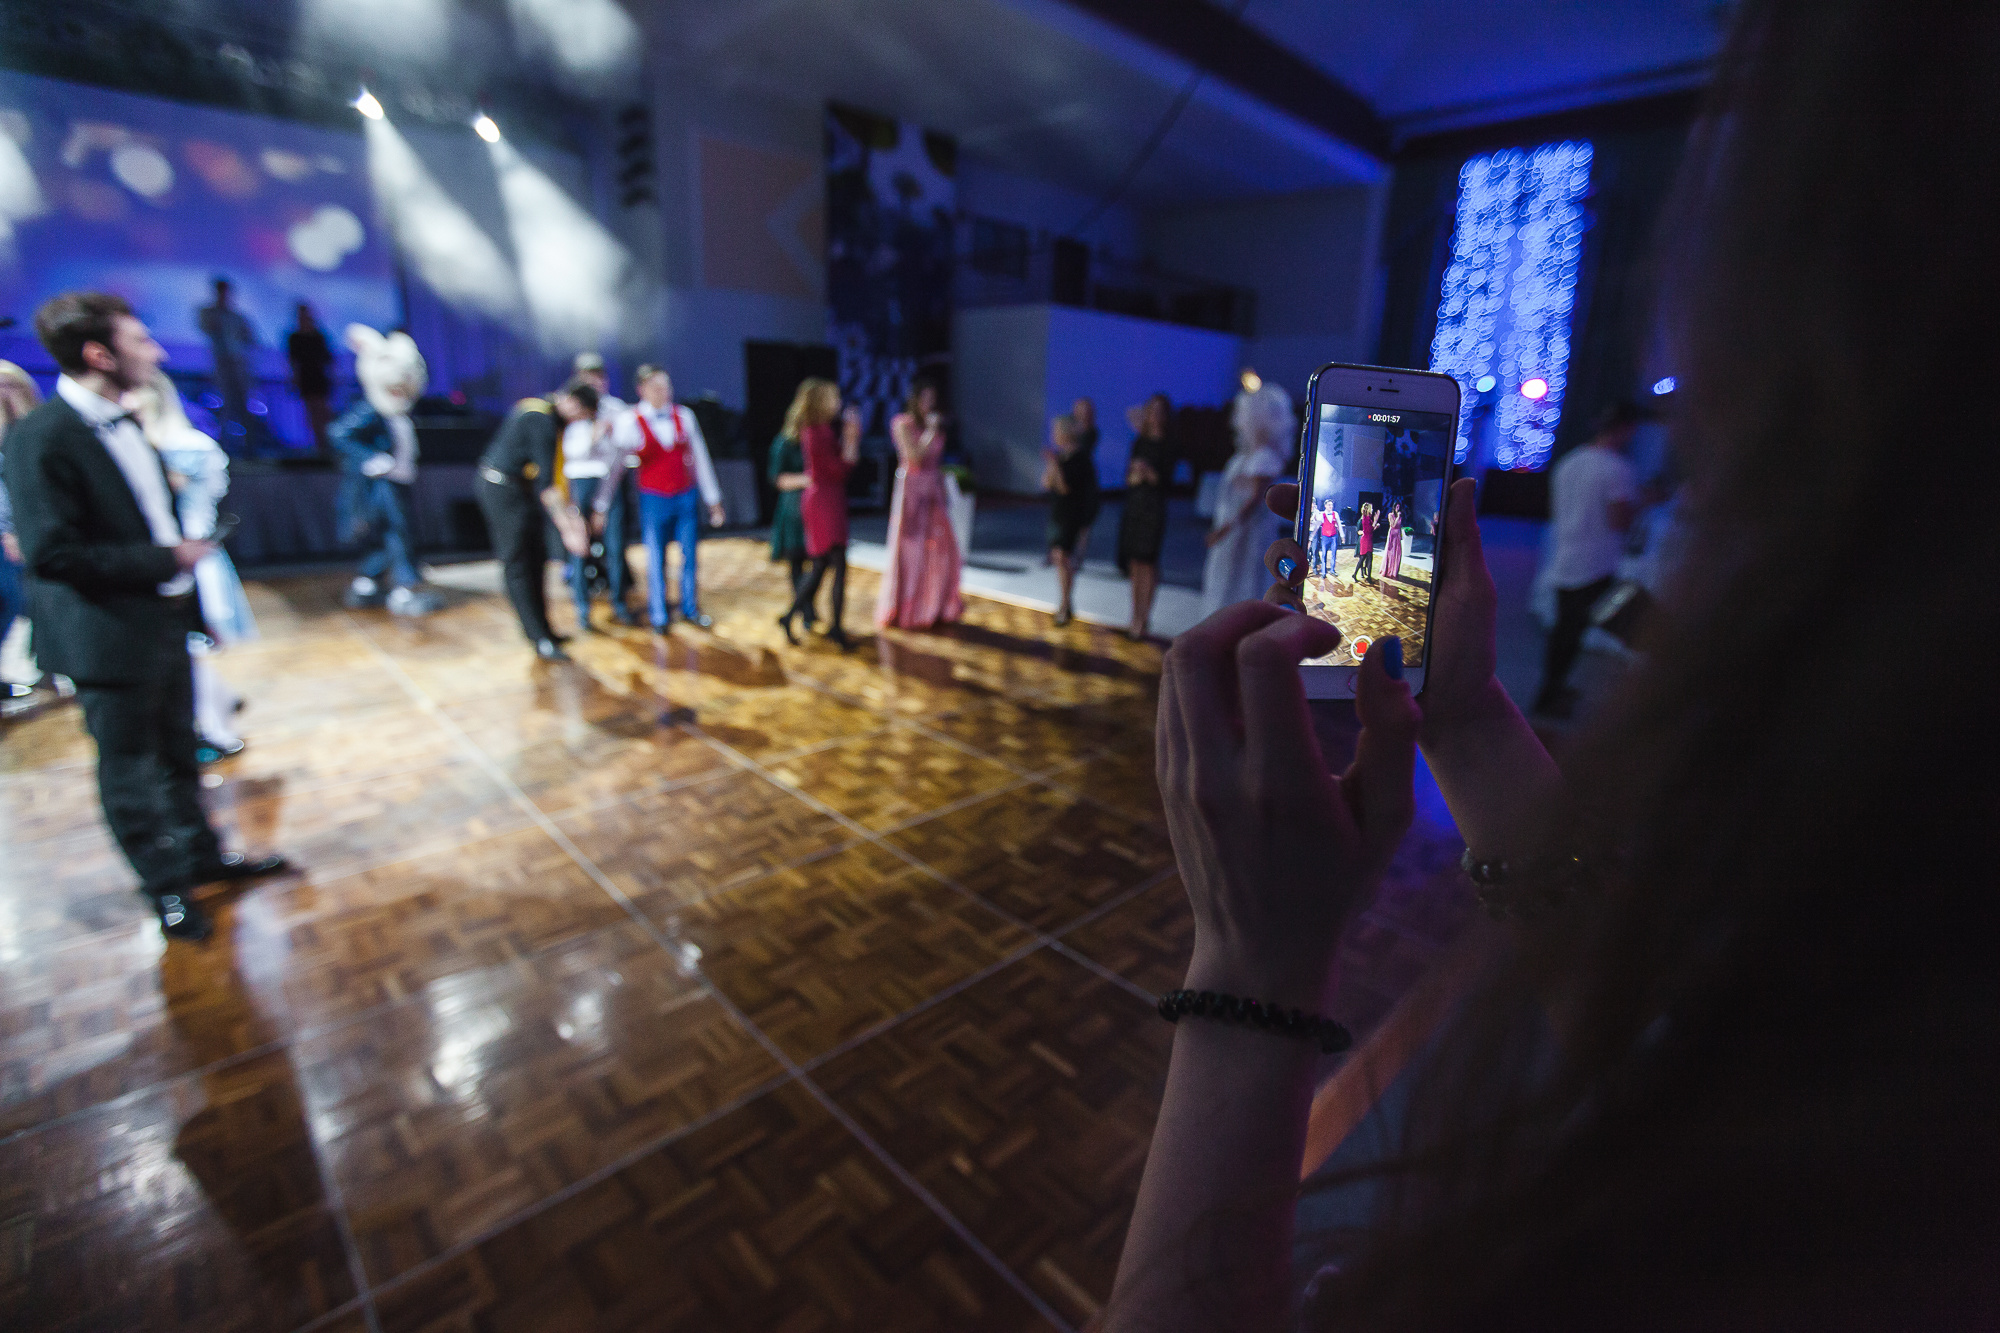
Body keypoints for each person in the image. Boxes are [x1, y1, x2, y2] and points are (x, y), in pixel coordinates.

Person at [1108, 1, 2000, 1327]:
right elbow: (1686, 1062)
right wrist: (1461, 720)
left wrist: (1250, 966)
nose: (1686, 331)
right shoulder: (1899, 1008)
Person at [3, 293, 289, 942]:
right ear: (99, 354)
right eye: (140, 341)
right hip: (106, 636)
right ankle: (166, 890)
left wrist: (189, 607)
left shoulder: (129, 424)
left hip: (161, 622)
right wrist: (166, 559)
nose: (156, 352)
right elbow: (52, 552)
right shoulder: (42, 437)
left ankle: (204, 859)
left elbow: (152, 521)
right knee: (129, 771)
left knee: (180, 756)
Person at [128, 371, 258, 761]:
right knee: (187, 649)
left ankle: (216, 730)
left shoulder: (178, 448)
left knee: (192, 647)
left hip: (190, 561)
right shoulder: (152, 445)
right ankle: (222, 703)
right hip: (177, 560)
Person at [1534, 400, 1642, 718]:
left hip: (1565, 555)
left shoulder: (1569, 461)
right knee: (1623, 625)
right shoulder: (1617, 468)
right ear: (1624, 430)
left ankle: (1552, 689)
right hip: (1597, 562)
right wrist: (1645, 503)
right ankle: (1550, 695)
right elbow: (1619, 520)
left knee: (1565, 631)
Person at [476, 381, 598, 660]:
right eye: (582, 415)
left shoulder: (542, 413)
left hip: (522, 491)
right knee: (519, 563)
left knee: (538, 558)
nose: (580, 422)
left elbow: (552, 479)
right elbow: (548, 487)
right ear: (572, 403)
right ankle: (537, 637)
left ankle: (545, 629)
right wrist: (570, 530)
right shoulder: (540, 419)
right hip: (503, 491)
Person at [600, 364, 724, 633]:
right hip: (654, 498)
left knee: (690, 555)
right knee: (656, 557)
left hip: (685, 495)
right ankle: (659, 614)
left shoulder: (684, 416)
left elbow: (699, 458)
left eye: (666, 386)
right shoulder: (630, 420)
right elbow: (615, 465)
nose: (662, 392)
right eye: (656, 387)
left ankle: (690, 608)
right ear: (641, 389)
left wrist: (713, 499)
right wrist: (602, 503)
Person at [329, 325, 440, 617]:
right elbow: (339, 433)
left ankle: (368, 581)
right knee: (397, 533)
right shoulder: (371, 409)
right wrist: (372, 458)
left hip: (398, 480)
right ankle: (404, 588)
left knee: (394, 534)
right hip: (381, 485)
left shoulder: (398, 411)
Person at [776, 379, 861, 649]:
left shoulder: (822, 430)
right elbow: (838, 470)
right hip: (823, 501)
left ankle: (791, 616)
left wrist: (850, 439)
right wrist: (850, 438)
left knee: (823, 565)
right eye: (833, 398)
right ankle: (833, 627)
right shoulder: (815, 432)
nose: (838, 403)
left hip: (829, 499)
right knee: (833, 564)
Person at [1199, 379, 1291, 618]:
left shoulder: (1264, 459)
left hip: (1247, 532)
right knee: (1227, 579)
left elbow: (1254, 499)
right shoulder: (1245, 456)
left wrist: (1226, 528)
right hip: (1235, 529)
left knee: (1242, 579)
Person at [876, 379, 964, 630]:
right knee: (912, 551)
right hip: (912, 493)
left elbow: (936, 461)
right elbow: (913, 457)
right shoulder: (902, 424)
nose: (929, 404)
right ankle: (911, 609)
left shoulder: (934, 425)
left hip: (933, 492)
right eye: (924, 398)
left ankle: (936, 605)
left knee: (942, 550)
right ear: (914, 400)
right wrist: (929, 433)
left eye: (932, 399)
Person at [562, 352, 634, 626]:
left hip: (609, 481)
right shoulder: (570, 410)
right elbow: (570, 452)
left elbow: (626, 447)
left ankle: (619, 603)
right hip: (579, 482)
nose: (594, 380)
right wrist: (593, 437)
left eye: (599, 375)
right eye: (587, 375)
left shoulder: (616, 408)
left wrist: (612, 434)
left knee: (615, 546)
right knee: (579, 547)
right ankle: (582, 608)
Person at [1116, 392, 1175, 640]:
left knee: (1148, 562)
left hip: (1154, 508)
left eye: (1161, 411)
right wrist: (1136, 474)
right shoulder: (1139, 442)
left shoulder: (1169, 444)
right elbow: (1129, 477)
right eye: (1153, 410)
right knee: (1134, 563)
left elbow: (1167, 482)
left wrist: (1148, 472)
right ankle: (1134, 614)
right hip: (1135, 506)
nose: (1156, 415)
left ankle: (1144, 617)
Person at [0, 362, 41, 698]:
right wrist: (8, 529)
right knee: (10, 599)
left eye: (11, 386)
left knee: (28, 601)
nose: (5, 394)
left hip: (37, 529)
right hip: (9, 535)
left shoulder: (38, 429)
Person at [1044, 409, 1100, 627]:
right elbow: (1048, 484)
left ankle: (1065, 604)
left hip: (1072, 514)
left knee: (1064, 557)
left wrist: (1054, 464)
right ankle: (1065, 603)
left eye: (1057, 430)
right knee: (1059, 558)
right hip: (1058, 511)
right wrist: (1052, 464)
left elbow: (1065, 487)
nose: (1054, 435)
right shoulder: (1060, 456)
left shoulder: (1080, 457)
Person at [195, 276, 257, 445]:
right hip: (221, 363)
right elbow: (206, 327)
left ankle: (250, 446)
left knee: (244, 404)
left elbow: (251, 338)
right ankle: (223, 445)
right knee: (225, 403)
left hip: (239, 364)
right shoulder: (208, 313)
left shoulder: (237, 317)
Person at [768, 424, 816, 626]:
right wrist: (809, 479)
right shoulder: (784, 442)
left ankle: (806, 607)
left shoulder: (816, 439)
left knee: (817, 563)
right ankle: (804, 609)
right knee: (796, 561)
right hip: (792, 509)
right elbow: (777, 478)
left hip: (814, 508)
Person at [285, 302, 335, 452]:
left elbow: (328, 359)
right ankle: (320, 446)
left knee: (324, 411)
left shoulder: (319, 336)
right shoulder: (294, 337)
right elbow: (293, 361)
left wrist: (333, 377)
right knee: (312, 412)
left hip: (320, 377)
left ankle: (330, 444)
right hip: (306, 377)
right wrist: (294, 379)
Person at [1353, 500, 1377, 582]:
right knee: (1368, 558)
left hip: (1368, 539)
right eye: (1371, 508)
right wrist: (1375, 521)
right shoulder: (1365, 519)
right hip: (1365, 540)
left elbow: (1370, 530)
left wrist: (1375, 526)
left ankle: (1355, 574)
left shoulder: (1368, 518)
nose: (1372, 510)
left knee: (1363, 558)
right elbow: (1367, 530)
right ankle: (1368, 578)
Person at [1382, 500, 1405, 582]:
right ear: (1394, 507)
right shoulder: (1390, 515)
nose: (1398, 508)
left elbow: (1399, 526)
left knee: (1398, 553)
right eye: (1396, 507)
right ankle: (1388, 570)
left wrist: (1401, 535)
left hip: (1398, 535)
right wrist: (1398, 517)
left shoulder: (1400, 515)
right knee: (1391, 552)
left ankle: (1395, 571)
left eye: (1399, 507)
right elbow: (1393, 525)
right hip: (1392, 535)